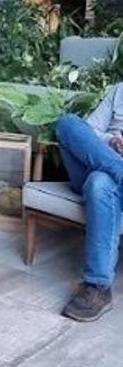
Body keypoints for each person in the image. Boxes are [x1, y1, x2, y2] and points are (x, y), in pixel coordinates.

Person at [56, 83, 123, 322]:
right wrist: (112, 141)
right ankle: (119, 170)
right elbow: (90, 130)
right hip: (98, 159)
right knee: (67, 123)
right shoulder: (120, 91)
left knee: (100, 184)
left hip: (102, 181)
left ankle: (98, 288)